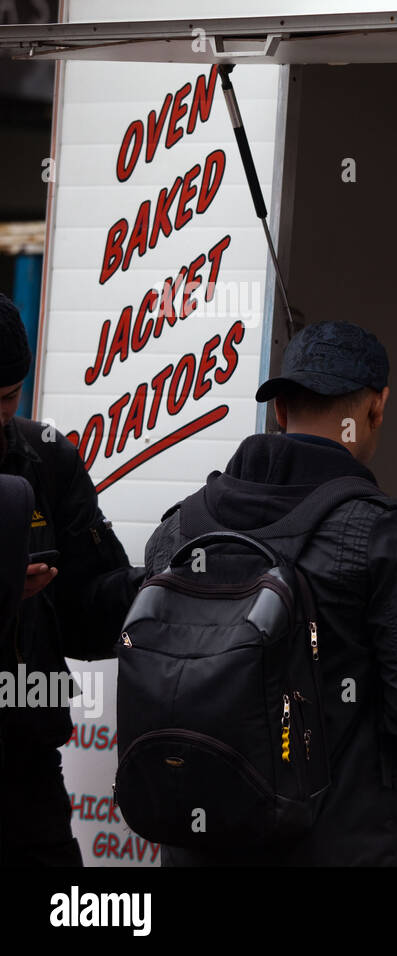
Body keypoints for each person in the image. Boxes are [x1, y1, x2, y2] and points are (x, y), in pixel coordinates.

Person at [142, 320, 397, 866]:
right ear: (376, 409)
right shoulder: (385, 533)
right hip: (346, 840)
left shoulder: (178, 529)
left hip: (199, 842)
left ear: (280, 411)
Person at [0, 293, 144, 866]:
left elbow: (92, 614)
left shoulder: (48, 459)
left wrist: (156, 586)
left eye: (7, 399)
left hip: (28, 763)